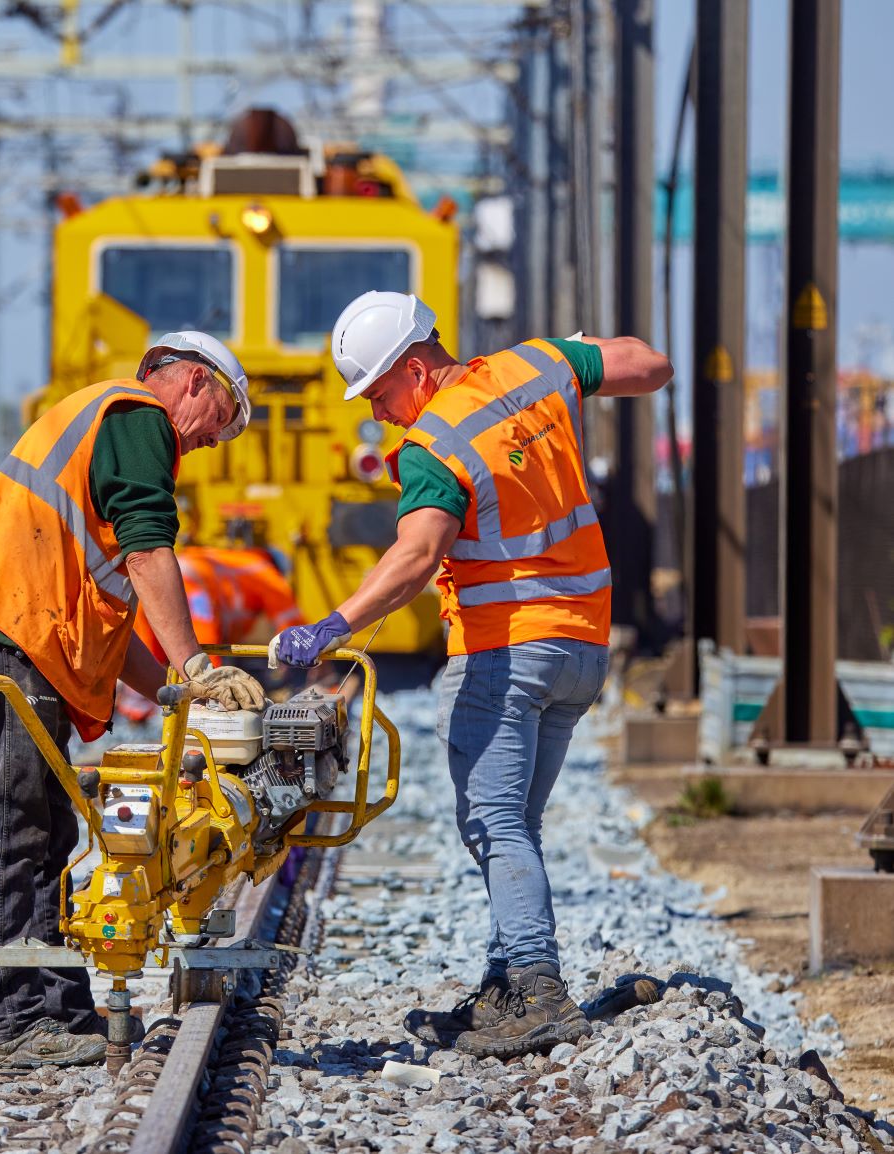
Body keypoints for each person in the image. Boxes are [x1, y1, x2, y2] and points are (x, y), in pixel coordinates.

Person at [270, 291, 672, 1059]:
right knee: (514, 824)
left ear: (416, 371)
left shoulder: (433, 443)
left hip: (505, 651)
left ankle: (538, 990)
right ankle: (502, 988)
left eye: (380, 393)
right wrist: (572, 369)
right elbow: (650, 365)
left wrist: (331, 626)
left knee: (493, 824)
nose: (381, 413)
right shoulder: (538, 364)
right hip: (579, 649)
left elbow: (417, 555)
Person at [0, 330, 268, 1069]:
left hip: (17, 638)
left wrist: (180, 690)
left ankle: (60, 1011)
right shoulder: (135, 416)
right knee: (13, 829)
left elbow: (116, 632)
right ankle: (16, 1024)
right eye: (223, 421)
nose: (213, 441)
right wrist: (197, 662)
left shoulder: (105, 432)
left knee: (47, 834)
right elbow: (148, 552)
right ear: (196, 384)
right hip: (1, 636)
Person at [130, 546, 301, 665]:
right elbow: (290, 620)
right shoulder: (264, 570)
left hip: (152, 580)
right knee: (201, 655)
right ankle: (209, 699)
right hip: (189, 587)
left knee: (147, 653)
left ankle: (138, 709)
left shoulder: (235, 560)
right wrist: (305, 655)